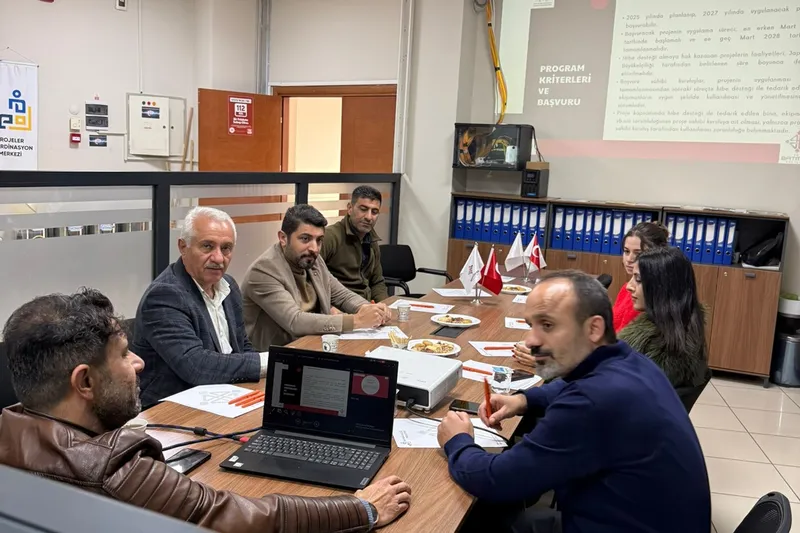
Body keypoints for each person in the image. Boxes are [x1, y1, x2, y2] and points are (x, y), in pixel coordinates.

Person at [0, 289, 411, 533]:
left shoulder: (10, 428)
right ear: (85, 382)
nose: (139, 363)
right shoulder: (113, 470)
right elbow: (251, 518)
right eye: (124, 355)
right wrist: (363, 508)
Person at [436, 270, 710, 533]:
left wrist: (458, 440)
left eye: (548, 325)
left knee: (477, 515)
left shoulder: (591, 402)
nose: (531, 340)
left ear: (593, 328)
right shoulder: (629, 359)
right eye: (531, 325)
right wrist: (523, 400)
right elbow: (569, 385)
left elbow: (496, 480)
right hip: (640, 518)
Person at [132, 207, 265, 408]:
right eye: (207, 246)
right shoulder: (164, 295)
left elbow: (242, 346)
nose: (218, 258)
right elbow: (196, 365)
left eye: (226, 248)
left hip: (224, 395)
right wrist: (268, 363)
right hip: (172, 409)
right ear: (183, 247)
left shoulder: (229, 286)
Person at [241, 204, 390, 350]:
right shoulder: (264, 270)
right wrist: (357, 320)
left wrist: (370, 309)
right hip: (273, 355)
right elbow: (295, 321)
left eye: (319, 240)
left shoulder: (312, 260)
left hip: (312, 345)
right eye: (305, 239)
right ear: (283, 238)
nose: (314, 248)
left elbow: (341, 295)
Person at [618, 246, 708, 389]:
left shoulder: (652, 347)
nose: (629, 286)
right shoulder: (686, 330)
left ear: (662, 288)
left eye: (638, 280)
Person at [321, 186, 388, 302]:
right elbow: (312, 280)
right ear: (350, 208)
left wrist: (385, 305)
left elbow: (377, 282)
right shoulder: (329, 237)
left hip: (366, 305)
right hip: (339, 306)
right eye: (363, 209)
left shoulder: (371, 240)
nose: (369, 217)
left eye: (374, 212)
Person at [612, 221, 669, 332]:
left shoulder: (654, 296)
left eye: (638, 253)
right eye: (626, 251)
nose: (629, 259)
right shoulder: (626, 288)